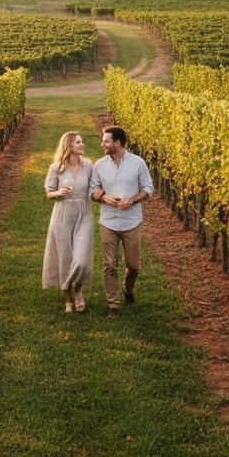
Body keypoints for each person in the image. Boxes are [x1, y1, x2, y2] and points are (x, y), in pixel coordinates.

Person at [89, 125, 153, 317]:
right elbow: (92, 190)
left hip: (131, 221)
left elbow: (148, 189)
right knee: (110, 264)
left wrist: (131, 200)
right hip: (108, 221)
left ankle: (127, 288)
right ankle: (113, 305)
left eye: (106, 141)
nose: (102, 144)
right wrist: (103, 198)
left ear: (117, 143)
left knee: (133, 266)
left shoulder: (138, 163)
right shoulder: (99, 165)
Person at [43, 131, 94, 313]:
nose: (82, 144)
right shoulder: (56, 168)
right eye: (78, 142)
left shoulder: (88, 165)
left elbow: (95, 186)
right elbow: (49, 192)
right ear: (69, 145)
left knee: (81, 258)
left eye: (82, 141)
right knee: (65, 257)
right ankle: (68, 298)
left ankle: (78, 290)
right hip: (63, 214)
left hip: (84, 214)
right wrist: (58, 193)